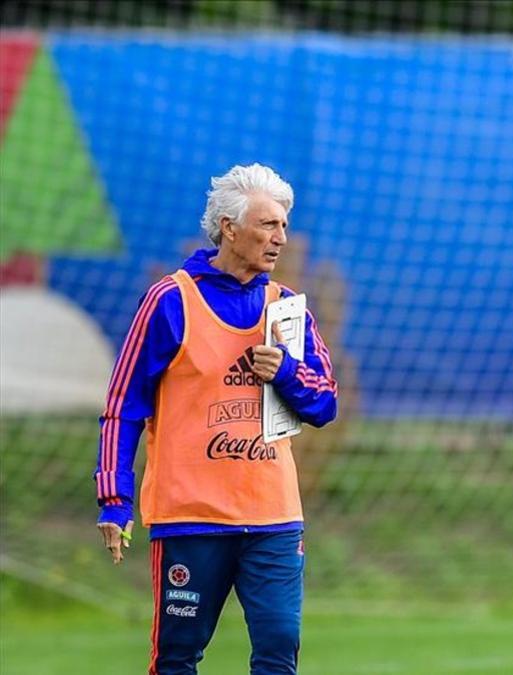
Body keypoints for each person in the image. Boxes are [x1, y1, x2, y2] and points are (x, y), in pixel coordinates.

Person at [93, 164, 338, 674]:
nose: (281, 239)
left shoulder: (287, 309)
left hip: (273, 516)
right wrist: (115, 499)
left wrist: (287, 372)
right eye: (269, 225)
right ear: (229, 227)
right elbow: (123, 405)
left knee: (279, 648)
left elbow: (324, 403)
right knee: (177, 657)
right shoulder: (170, 301)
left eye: (284, 226)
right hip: (192, 516)